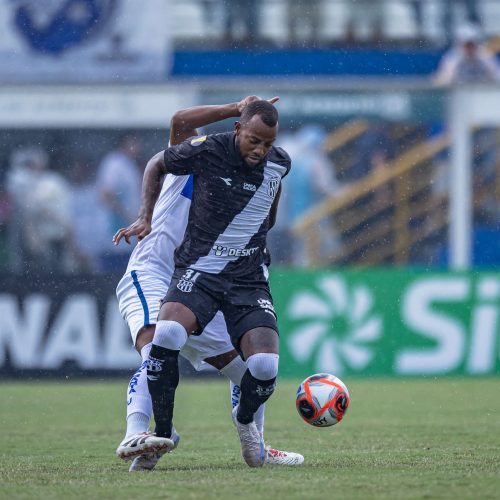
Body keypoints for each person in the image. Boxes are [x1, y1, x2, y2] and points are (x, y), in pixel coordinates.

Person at [114, 96, 303, 471]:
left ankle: (257, 446)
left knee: (248, 371)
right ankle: (140, 434)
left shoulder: (253, 172)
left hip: (208, 278)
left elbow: (269, 201)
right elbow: (181, 120)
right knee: (157, 345)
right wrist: (236, 108)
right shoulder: (194, 157)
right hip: (156, 271)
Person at [96, 133, 143, 272]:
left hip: (127, 230)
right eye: (134, 143)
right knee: (113, 271)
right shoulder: (114, 163)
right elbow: (105, 194)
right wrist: (126, 215)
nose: (138, 147)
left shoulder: (129, 165)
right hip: (114, 227)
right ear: (125, 144)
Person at [434, 24, 500, 85]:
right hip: (459, 93)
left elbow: (497, 77)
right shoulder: (452, 58)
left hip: (483, 93)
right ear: (460, 44)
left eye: (472, 45)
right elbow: (442, 81)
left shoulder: (486, 56)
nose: (470, 48)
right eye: (467, 45)